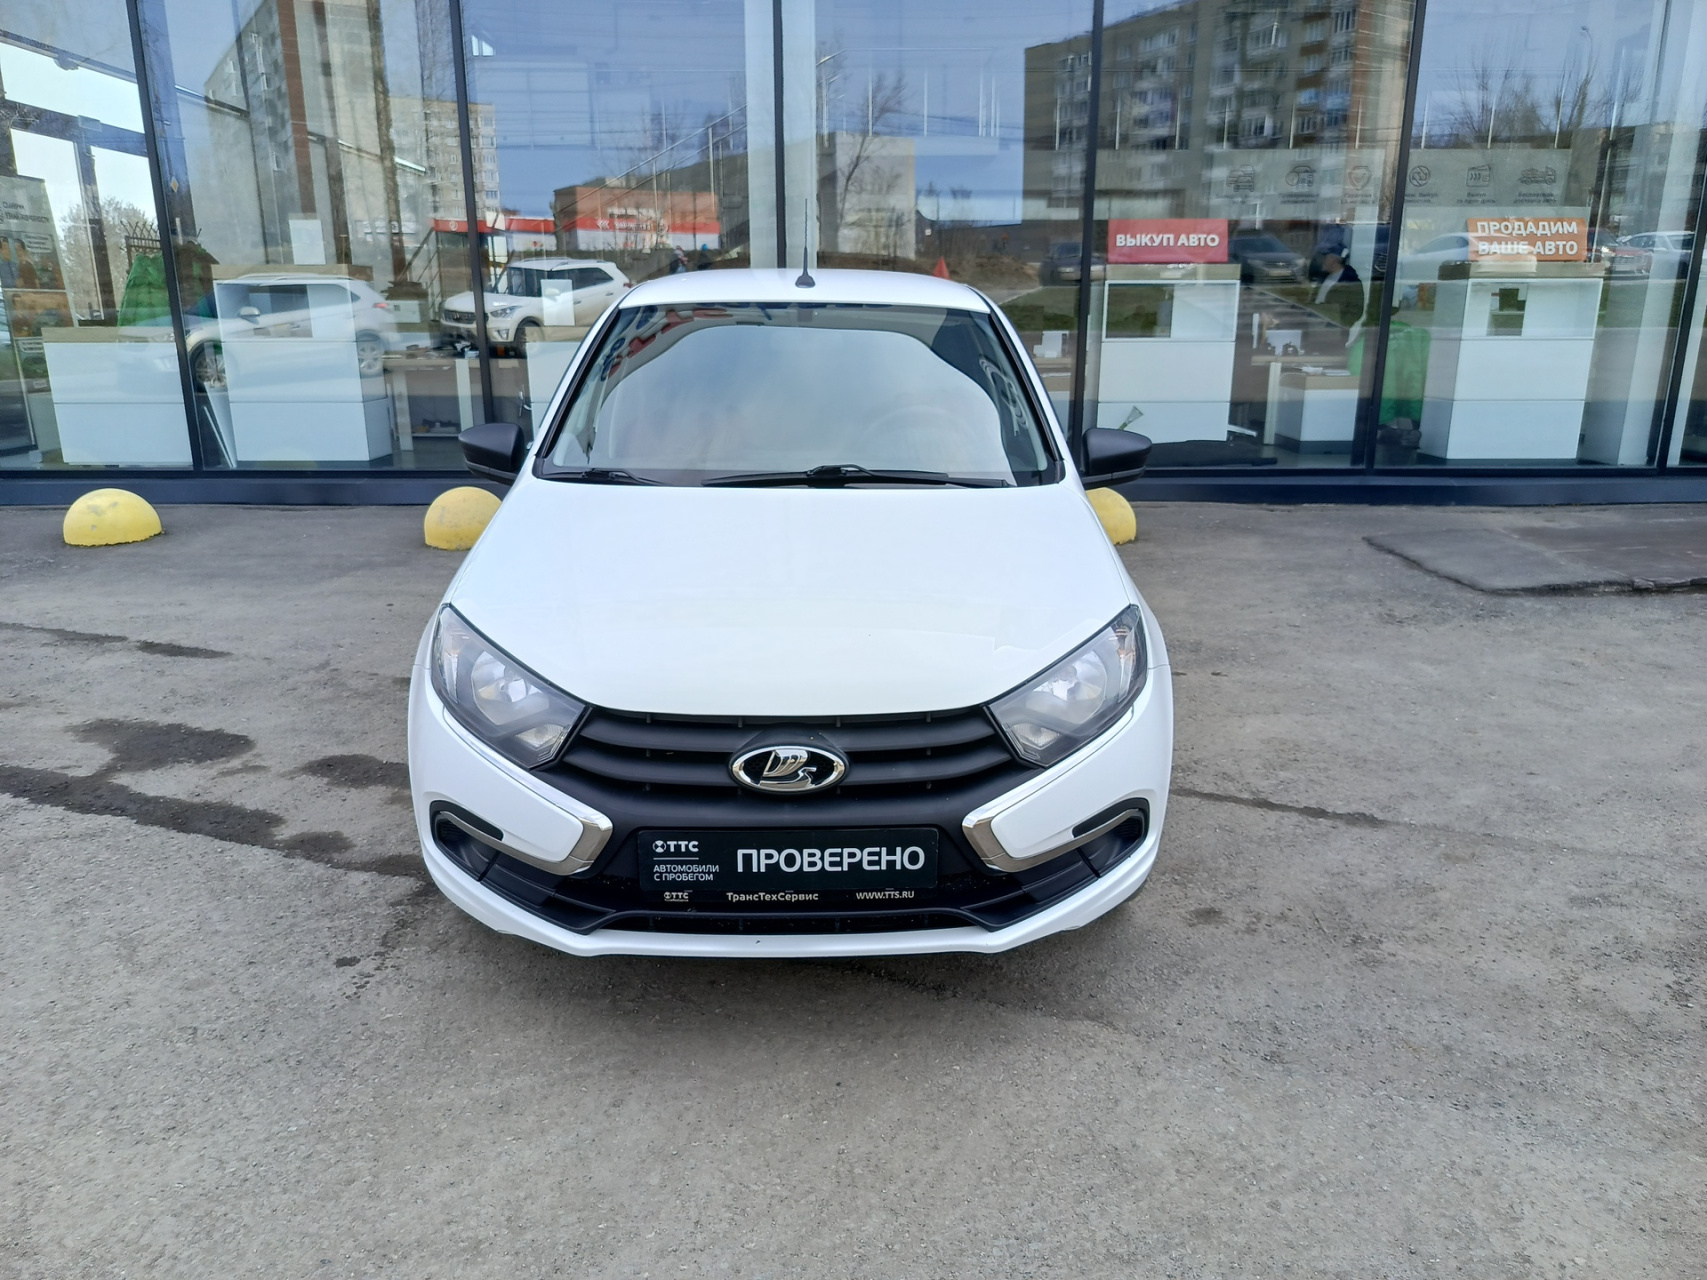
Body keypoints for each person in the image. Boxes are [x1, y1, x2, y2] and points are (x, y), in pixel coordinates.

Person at [1313, 251, 1364, 330]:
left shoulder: (1351, 282)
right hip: (1314, 325)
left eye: (1326, 258)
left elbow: (1356, 310)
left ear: (1334, 259)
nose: (1323, 261)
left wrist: (1339, 325)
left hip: (1334, 329)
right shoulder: (1323, 278)